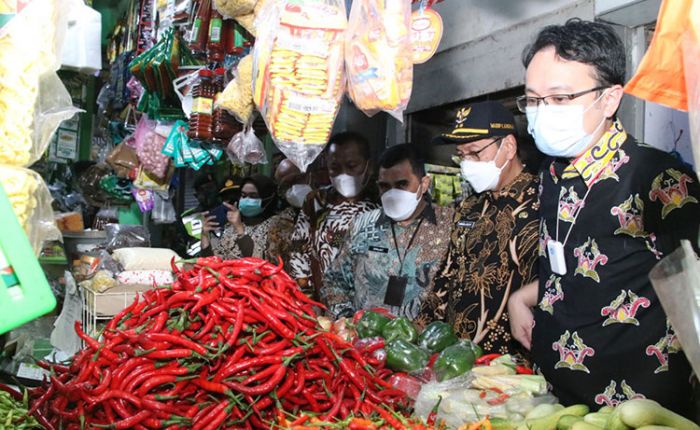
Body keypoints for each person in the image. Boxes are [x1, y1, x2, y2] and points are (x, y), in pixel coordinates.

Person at [508, 18, 700, 414]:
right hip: (555, 394)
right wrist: (521, 298)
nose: (542, 113)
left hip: (637, 403)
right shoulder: (552, 172)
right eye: (532, 99)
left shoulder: (660, 177)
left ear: (610, 99)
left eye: (560, 99)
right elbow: (573, 263)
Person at [417, 101, 540, 355]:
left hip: (513, 363)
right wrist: (421, 332)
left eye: (474, 153)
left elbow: (560, 283)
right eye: (461, 155)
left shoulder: (545, 204)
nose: (467, 164)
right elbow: (447, 275)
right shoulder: (469, 207)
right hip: (456, 357)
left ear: (508, 147)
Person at [324, 144, 453, 319]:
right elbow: (335, 279)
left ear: (424, 184)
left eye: (402, 184)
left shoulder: (450, 226)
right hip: (367, 340)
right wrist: (346, 320)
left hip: (425, 342)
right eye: (384, 186)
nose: (392, 193)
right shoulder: (362, 224)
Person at [290, 132, 378, 299]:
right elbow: (299, 248)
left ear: (369, 166)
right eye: (335, 168)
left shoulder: (381, 203)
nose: (343, 174)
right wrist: (306, 297)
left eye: (352, 166)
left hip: (366, 307)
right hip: (321, 302)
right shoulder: (316, 201)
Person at [200, 174, 278, 260]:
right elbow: (213, 262)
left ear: (267, 198)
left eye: (253, 196)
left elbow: (257, 262)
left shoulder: (276, 226)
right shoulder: (230, 227)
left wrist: (240, 229)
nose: (247, 200)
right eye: (243, 195)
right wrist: (204, 236)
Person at [267, 159, 311, 273]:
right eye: (287, 185)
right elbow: (274, 264)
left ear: (310, 176)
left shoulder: (331, 214)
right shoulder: (279, 225)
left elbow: (340, 246)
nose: (295, 188)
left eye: (298, 180)